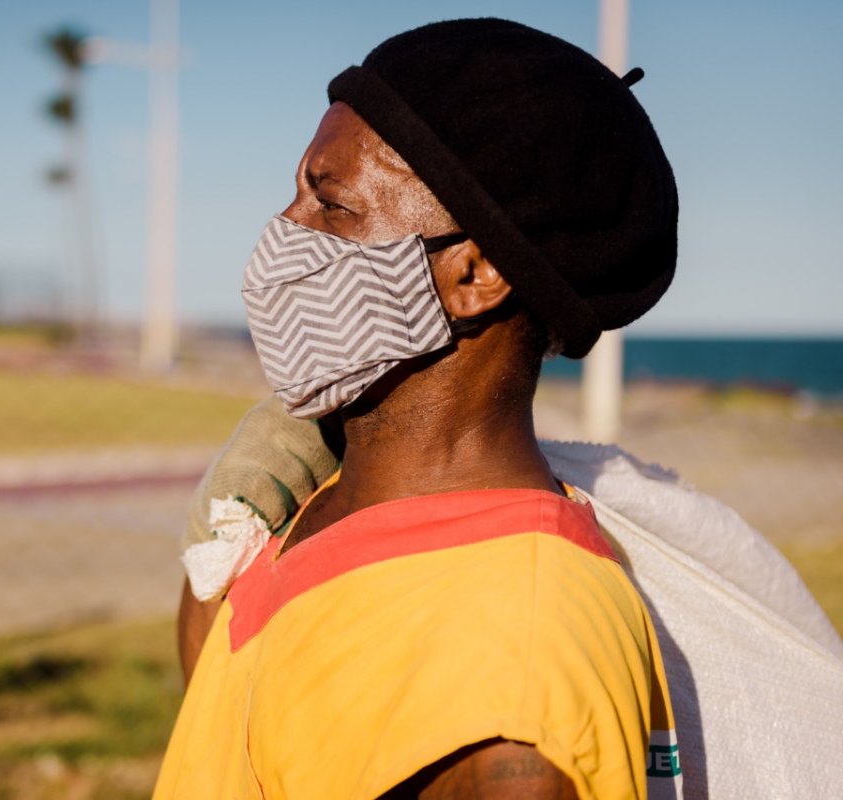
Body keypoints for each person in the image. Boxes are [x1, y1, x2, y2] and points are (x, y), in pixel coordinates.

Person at [157, 18, 843, 800]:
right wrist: (228, 535)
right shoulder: (326, 500)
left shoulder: (511, 677)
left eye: (332, 206)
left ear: (474, 273)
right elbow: (230, 717)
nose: (284, 234)